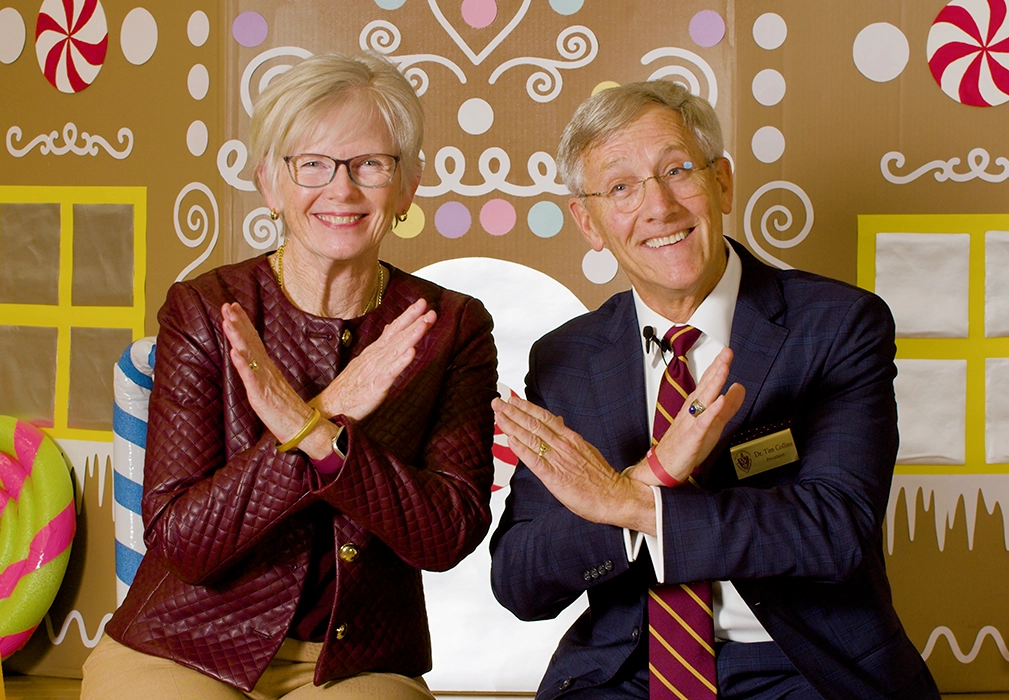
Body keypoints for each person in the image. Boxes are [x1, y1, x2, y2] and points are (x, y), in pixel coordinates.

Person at [489, 80, 939, 699]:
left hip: (802, 666)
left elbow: (837, 530)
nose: (660, 207)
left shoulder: (837, 324)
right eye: (621, 187)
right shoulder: (566, 358)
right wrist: (651, 474)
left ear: (722, 183)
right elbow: (519, 583)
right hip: (625, 671)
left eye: (677, 170)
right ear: (588, 222)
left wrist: (634, 504)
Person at [81, 52, 498, 699]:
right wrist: (331, 406)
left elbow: (447, 533)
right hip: (182, 643)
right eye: (312, 165)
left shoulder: (453, 326)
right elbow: (182, 542)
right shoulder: (203, 307)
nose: (341, 189)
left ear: (408, 185)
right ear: (271, 186)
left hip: (355, 661)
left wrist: (318, 436)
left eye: (370, 164)